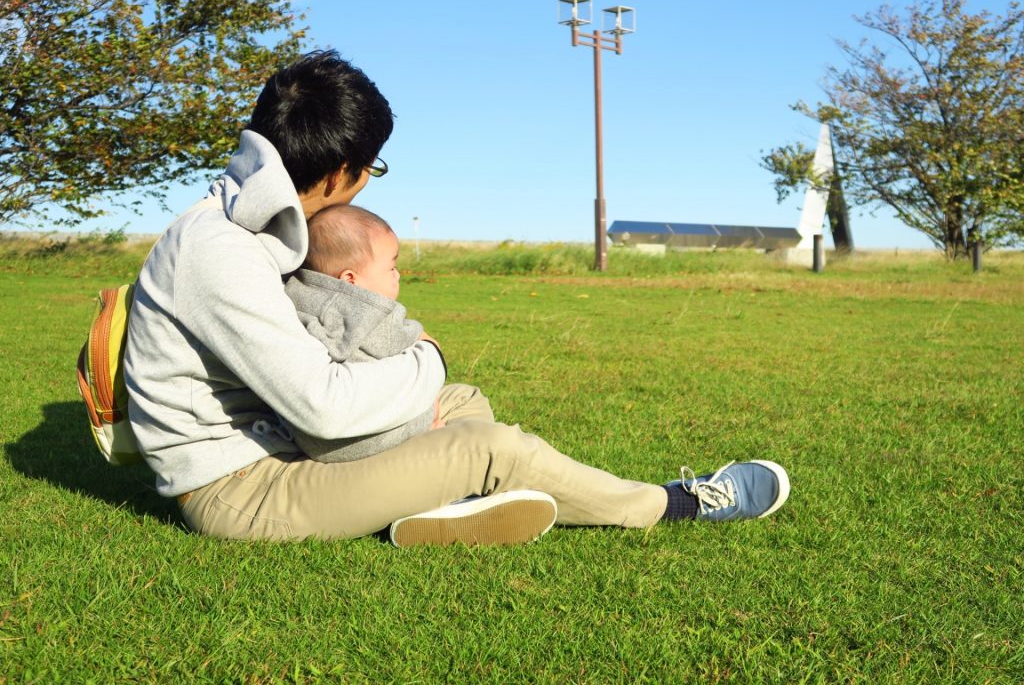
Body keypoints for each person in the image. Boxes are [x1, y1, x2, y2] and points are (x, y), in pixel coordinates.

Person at [124, 49, 790, 547]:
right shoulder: (220, 250)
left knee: (461, 403)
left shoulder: (251, 225)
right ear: (342, 171)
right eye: (372, 168)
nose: (368, 183)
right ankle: (677, 503)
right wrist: (426, 358)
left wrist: (427, 382)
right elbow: (322, 406)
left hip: (283, 444)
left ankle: (438, 511)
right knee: (490, 447)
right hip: (244, 486)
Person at [284, 203, 449, 462]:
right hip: (367, 438)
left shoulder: (294, 295)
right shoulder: (374, 313)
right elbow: (416, 344)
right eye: (391, 268)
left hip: (309, 441)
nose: (398, 275)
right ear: (350, 280)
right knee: (435, 402)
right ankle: (435, 439)